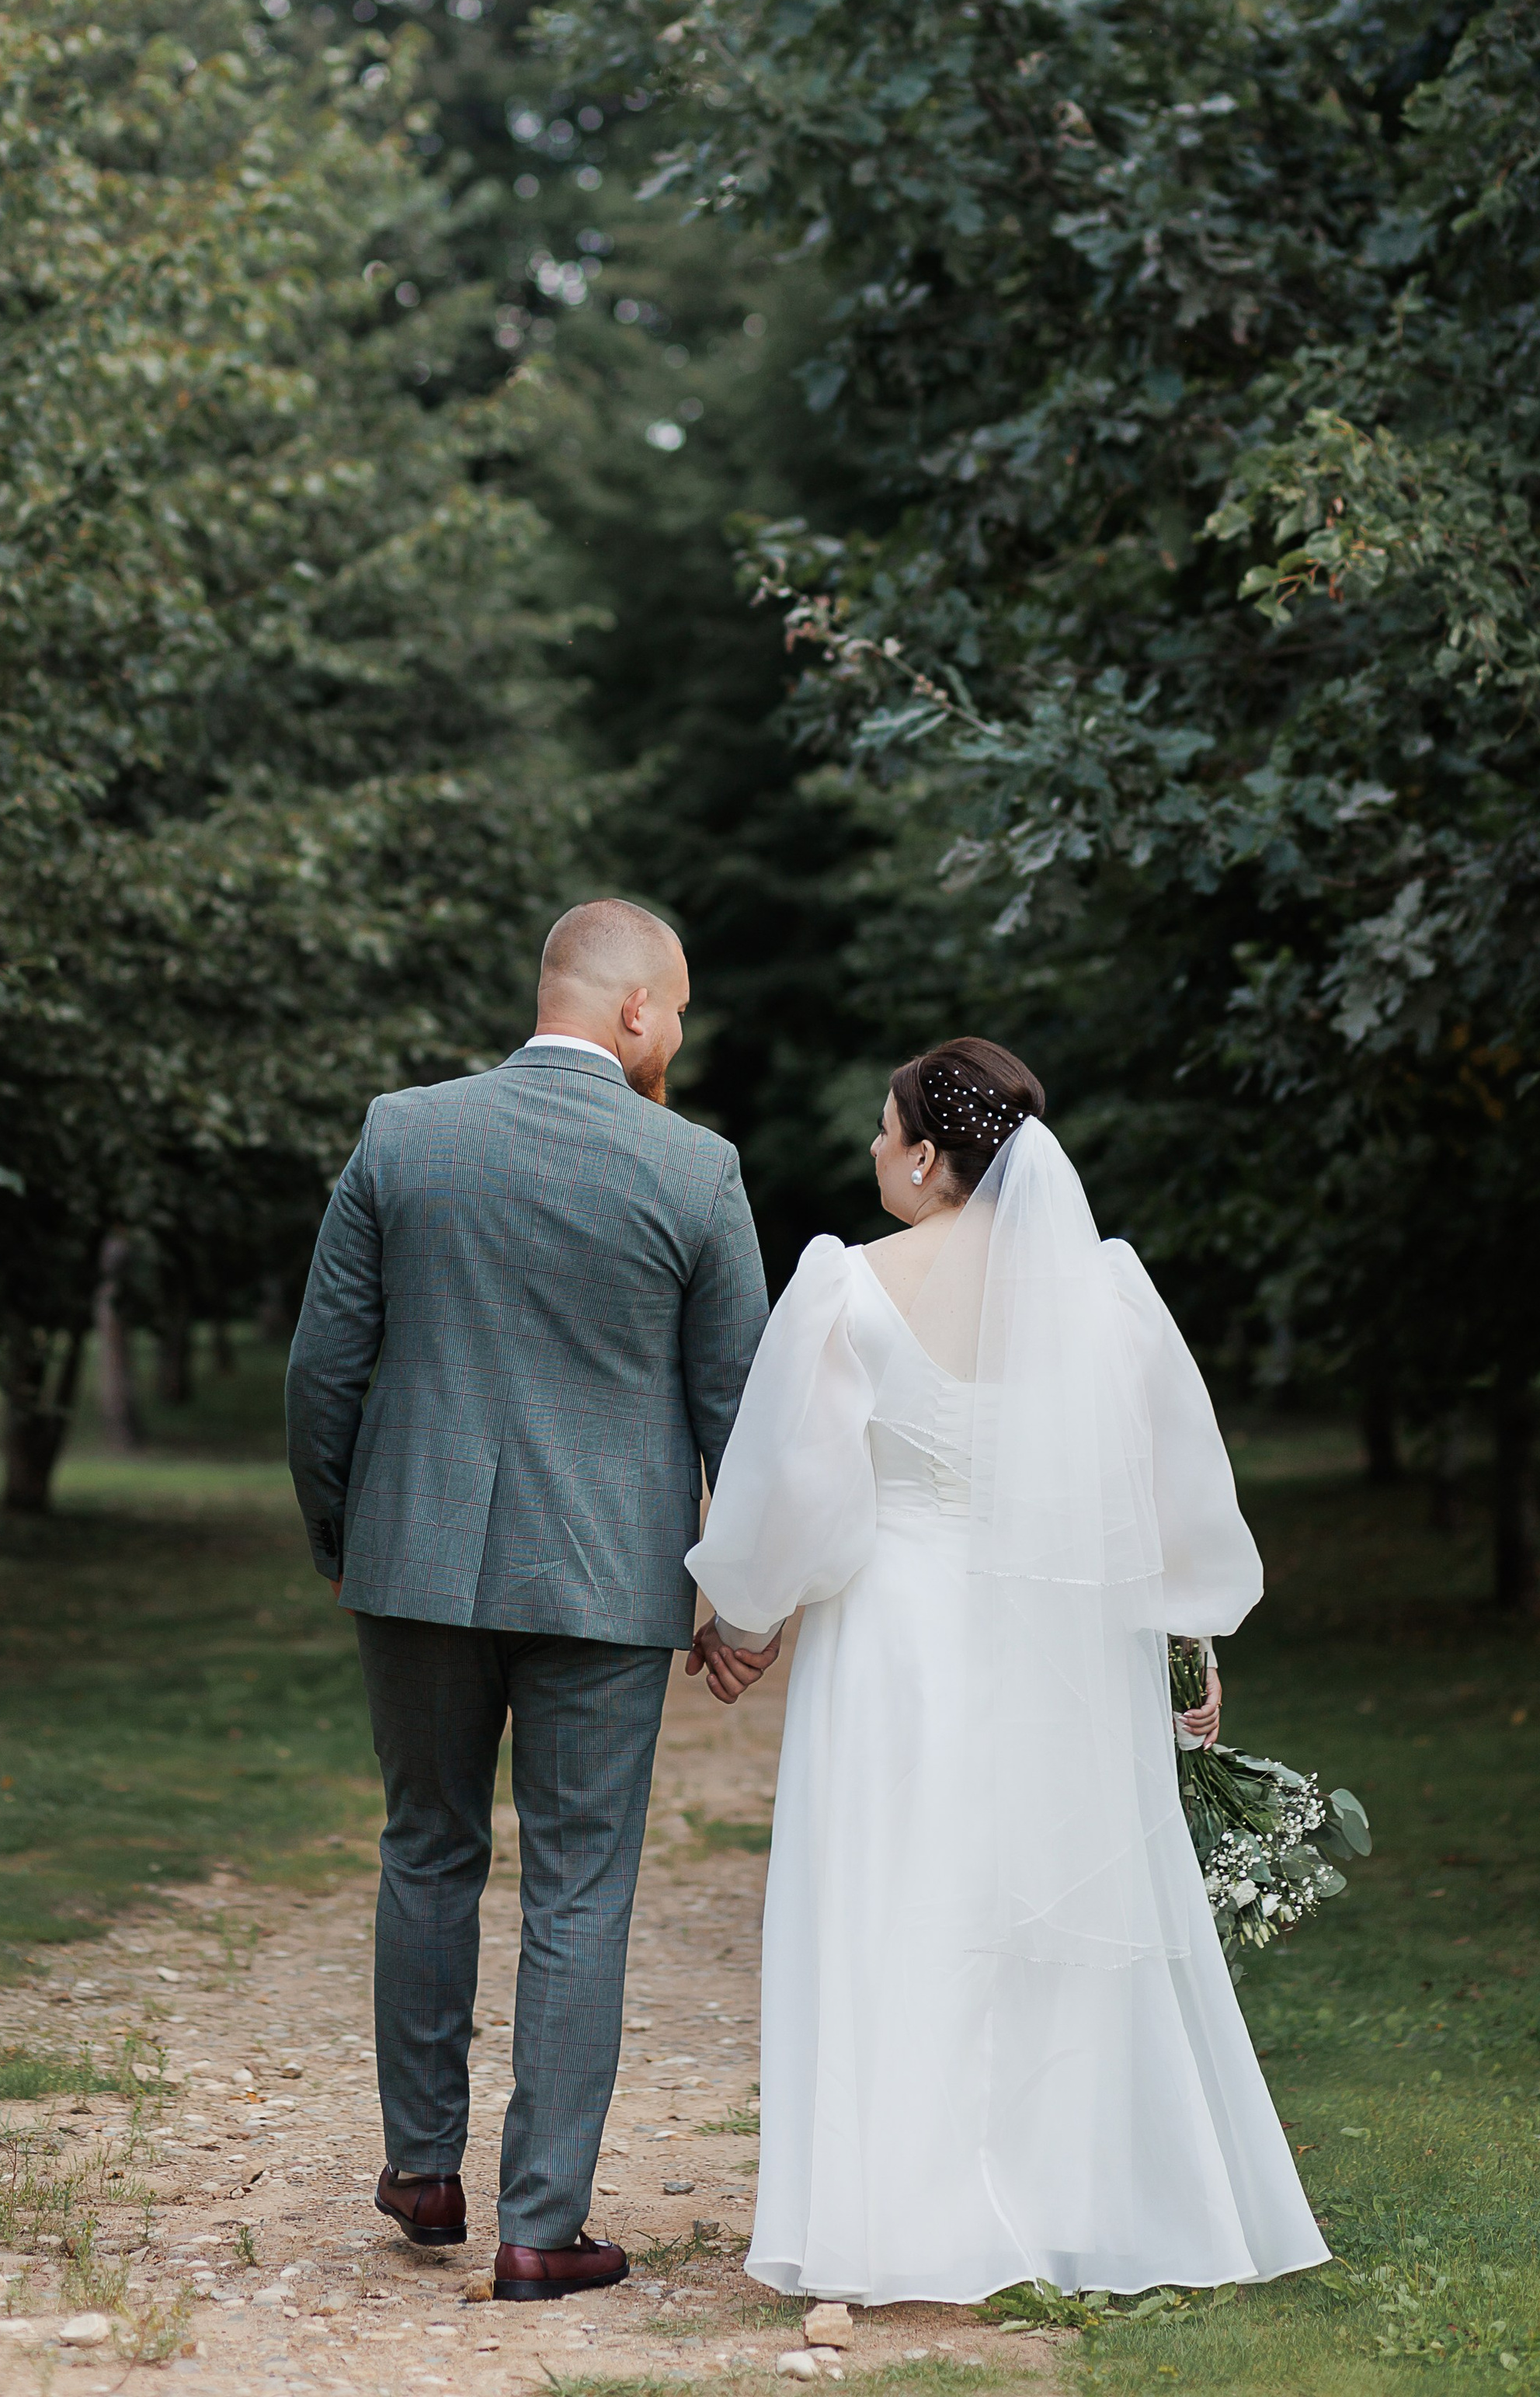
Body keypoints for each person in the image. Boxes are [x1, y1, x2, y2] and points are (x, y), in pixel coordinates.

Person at [686, 1038, 1329, 2307]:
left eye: (886, 1132)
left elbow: (800, 1487)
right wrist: (1183, 1639)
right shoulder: (1108, 1293)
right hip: (1058, 1642)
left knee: (897, 1900)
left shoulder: (848, 1286)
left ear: (929, 1156)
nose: (874, 1150)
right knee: (1040, 1906)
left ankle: (903, 2212)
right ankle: (1061, 2196)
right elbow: (1161, 1485)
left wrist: (745, 1614)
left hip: (895, 1639)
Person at [286, 900, 768, 2303]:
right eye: (679, 1009)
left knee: (426, 1849)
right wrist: (740, 1603)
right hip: (606, 1583)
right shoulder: (695, 1168)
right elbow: (739, 1410)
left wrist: (346, 1536)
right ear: (634, 1011)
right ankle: (540, 2226)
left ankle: (422, 2171)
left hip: (415, 1564)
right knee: (579, 1888)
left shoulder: (404, 1134)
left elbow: (325, 1369)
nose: (680, 1033)